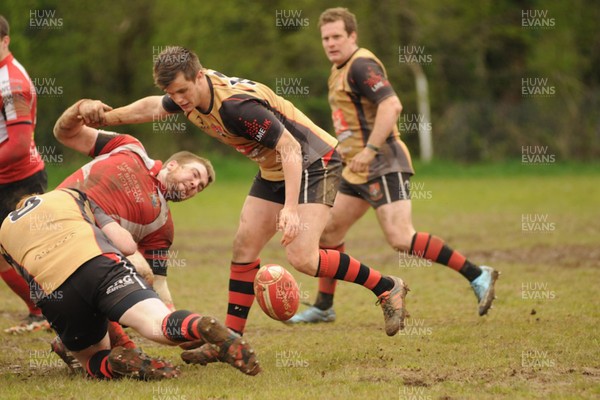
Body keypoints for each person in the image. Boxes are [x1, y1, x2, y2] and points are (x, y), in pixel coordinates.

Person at [80, 46, 410, 351]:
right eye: (171, 93)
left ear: (200, 75)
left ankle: (386, 286)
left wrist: (291, 209)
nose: (178, 99)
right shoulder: (190, 97)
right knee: (244, 246)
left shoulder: (238, 107)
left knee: (302, 256)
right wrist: (108, 118)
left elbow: (291, 148)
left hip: (313, 161)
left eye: (182, 91)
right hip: (274, 169)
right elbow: (154, 106)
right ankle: (230, 341)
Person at [288, 7, 499, 324]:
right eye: (325, 38)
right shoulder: (338, 69)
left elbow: (392, 104)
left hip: (382, 160)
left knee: (401, 237)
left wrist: (370, 149)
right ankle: (323, 306)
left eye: (337, 37)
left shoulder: (361, 65)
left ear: (352, 36)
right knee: (329, 232)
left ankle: (477, 274)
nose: (330, 43)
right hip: (354, 167)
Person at [0, 188, 260, 379]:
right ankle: (200, 325)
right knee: (158, 324)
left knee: (89, 357)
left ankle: (117, 362)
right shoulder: (70, 195)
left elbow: (23, 279)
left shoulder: (4, 232)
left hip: (55, 289)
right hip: (101, 264)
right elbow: (125, 245)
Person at [48, 98, 216, 370]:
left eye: (199, 187)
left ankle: (75, 340)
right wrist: (79, 109)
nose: (194, 185)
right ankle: (92, 341)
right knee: (131, 261)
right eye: (194, 175)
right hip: (51, 219)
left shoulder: (162, 225)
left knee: (141, 271)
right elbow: (66, 133)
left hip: (78, 260)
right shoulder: (130, 148)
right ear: (173, 165)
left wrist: (174, 325)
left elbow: (157, 283)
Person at [0, 14, 50, 334]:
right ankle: (42, 310)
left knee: (35, 256)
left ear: (5, 40)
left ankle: (64, 311)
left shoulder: (12, 83)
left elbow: (18, 146)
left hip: (19, 180)